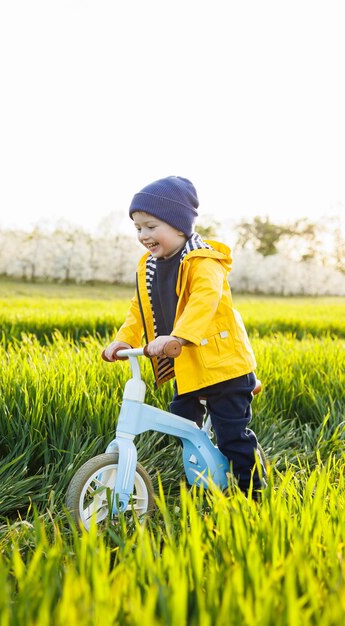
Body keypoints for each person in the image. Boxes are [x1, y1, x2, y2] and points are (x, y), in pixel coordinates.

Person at [104, 176, 266, 496]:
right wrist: (125, 339)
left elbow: (204, 301)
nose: (143, 235)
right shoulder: (150, 266)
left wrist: (178, 335)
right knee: (183, 425)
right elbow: (139, 309)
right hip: (188, 369)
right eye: (137, 228)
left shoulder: (204, 261)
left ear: (179, 225)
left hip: (223, 368)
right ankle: (201, 476)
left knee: (232, 435)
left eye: (151, 226)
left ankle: (255, 493)